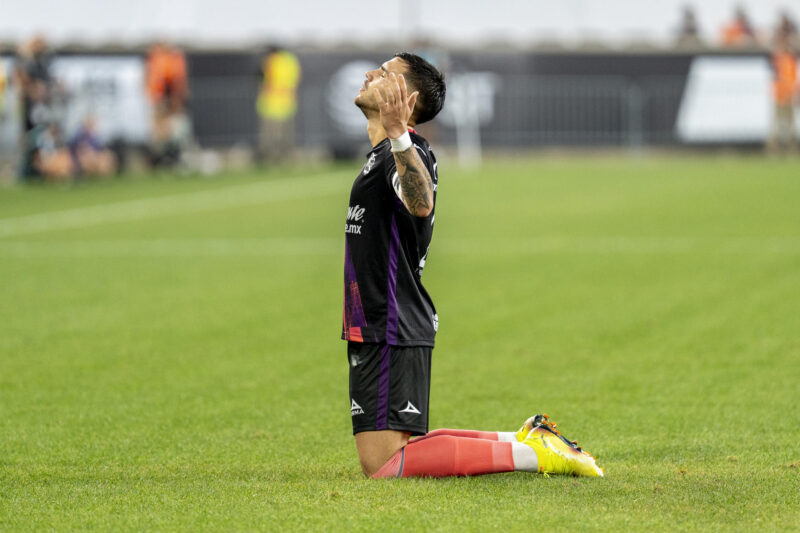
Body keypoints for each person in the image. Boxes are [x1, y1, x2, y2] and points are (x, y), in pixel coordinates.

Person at [342, 52, 603, 479]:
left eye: (384, 73)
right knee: (400, 449)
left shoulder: (404, 152)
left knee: (385, 464)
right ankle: (524, 440)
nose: (370, 74)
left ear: (404, 98)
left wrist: (396, 135)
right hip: (378, 320)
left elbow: (421, 202)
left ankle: (535, 456)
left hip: (390, 323)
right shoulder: (386, 154)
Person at [256, 45, 301, 163]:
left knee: (271, 137)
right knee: (286, 136)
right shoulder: (291, 60)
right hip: (288, 103)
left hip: (270, 104)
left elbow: (264, 79)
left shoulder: (270, 61)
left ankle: (271, 160)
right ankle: (286, 159)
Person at [768, 33, 798, 153]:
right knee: (777, 125)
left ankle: (791, 149)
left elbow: (792, 80)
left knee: (790, 126)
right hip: (780, 96)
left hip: (788, 96)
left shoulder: (790, 61)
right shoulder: (779, 60)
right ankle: (774, 150)